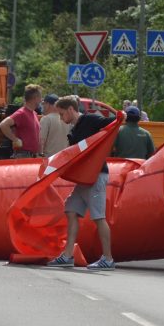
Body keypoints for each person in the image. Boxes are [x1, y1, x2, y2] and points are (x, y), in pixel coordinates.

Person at [46, 96, 116, 270]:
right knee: (71, 209)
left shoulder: (90, 120)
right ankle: (68, 255)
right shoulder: (75, 129)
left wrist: (123, 115)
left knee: (99, 217)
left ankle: (108, 258)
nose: (61, 119)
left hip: (96, 175)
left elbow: (113, 121)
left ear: (71, 109)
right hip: (85, 178)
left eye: (62, 114)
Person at [0, 84, 42, 158]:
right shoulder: (22, 113)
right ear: (35, 98)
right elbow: (3, 124)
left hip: (32, 156)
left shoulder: (34, 113)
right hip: (23, 155)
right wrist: (15, 139)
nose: (41, 100)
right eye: (40, 97)